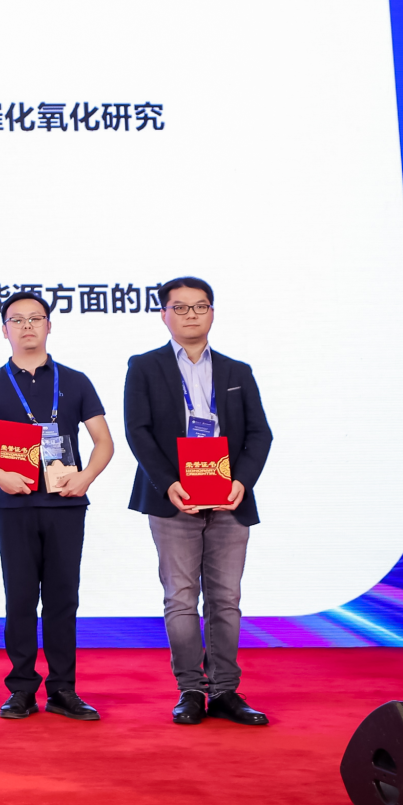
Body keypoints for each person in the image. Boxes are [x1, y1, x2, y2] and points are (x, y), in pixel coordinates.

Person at [123, 276, 274, 727]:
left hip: (228, 498)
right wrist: (168, 482)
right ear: (164, 314)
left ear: (212, 312)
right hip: (174, 499)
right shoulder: (144, 367)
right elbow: (138, 432)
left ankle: (225, 691)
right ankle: (191, 689)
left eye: (200, 306)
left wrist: (241, 482)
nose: (191, 315)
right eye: (181, 307)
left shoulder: (237, 371)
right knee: (181, 598)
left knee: (226, 599)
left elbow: (259, 434)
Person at [0, 291, 113, 722]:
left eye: (35, 318)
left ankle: (63, 689)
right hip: (14, 505)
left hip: (66, 504)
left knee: (63, 599)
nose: (27, 326)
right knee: (21, 598)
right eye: (17, 319)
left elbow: (103, 441)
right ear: (4, 330)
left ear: (49, 325)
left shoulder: (75, 381)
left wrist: (86, 477)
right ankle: (22, 689)